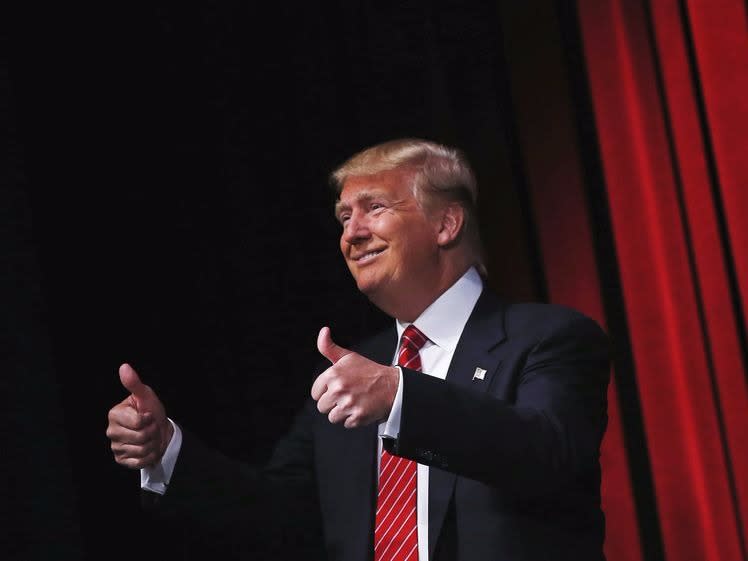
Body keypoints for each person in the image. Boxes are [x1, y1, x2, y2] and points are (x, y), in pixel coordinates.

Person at [106, 138, 610, 560]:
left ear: (446, 224)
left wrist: (401, 397)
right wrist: (166, 451)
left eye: (375, 207)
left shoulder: (546, 338)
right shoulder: (353, 373)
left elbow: (548, 454)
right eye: (343, 217)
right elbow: (281, 514)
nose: (352, 232)